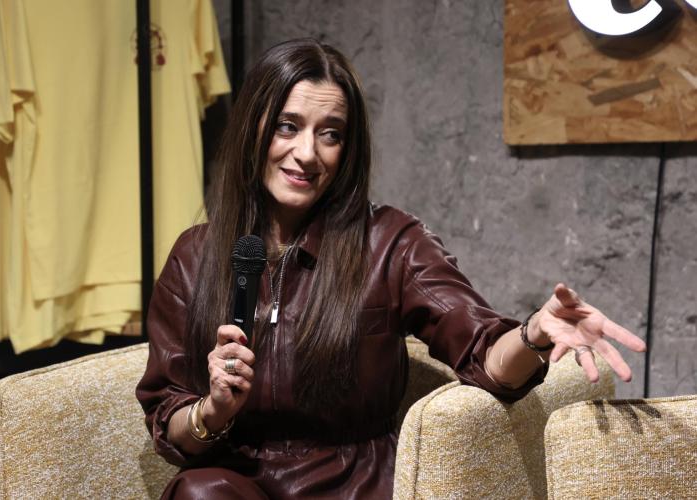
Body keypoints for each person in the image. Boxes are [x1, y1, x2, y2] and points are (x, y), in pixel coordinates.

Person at [136, 38, 646, 499]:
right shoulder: (196, 256)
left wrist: (533, 333)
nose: (306, 153)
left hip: (355, 485)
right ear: (254, 128)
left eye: (330, 134)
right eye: (287, 126)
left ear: (348, 149)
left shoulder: (390, 243)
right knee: (201, 493)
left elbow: (485, 356)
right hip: (235, 484)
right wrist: (213, 411)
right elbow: (169, 417)